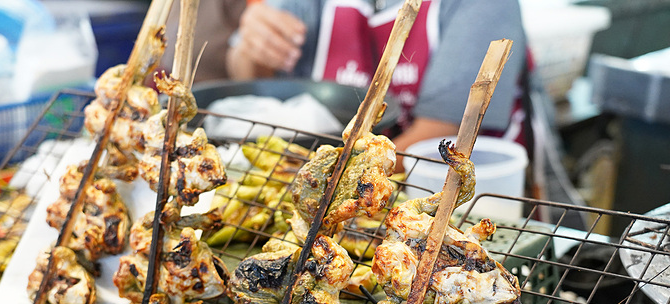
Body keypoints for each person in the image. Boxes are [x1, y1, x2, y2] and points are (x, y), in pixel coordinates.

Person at [225, 0, 529, 171]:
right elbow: (246, 75)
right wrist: (254, 48)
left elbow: (446, 132)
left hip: (448, 193)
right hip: (331, 181)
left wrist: (332, 179)